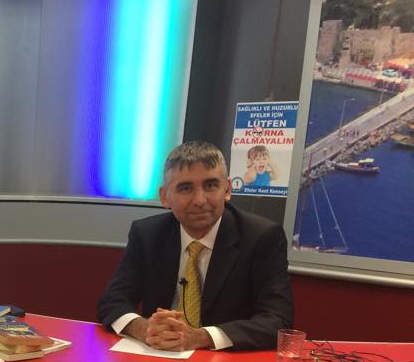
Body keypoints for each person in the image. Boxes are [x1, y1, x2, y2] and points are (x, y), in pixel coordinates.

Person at [97, 141, 293, 351]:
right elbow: (112, 302)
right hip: (157, 356)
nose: (199, 200)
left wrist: (201, 337)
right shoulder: (147, 234)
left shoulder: (261, 237)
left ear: (227, 189)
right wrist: (145, 329)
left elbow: (277, 320)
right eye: (185, 188)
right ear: (165, 197)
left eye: (210, 186)